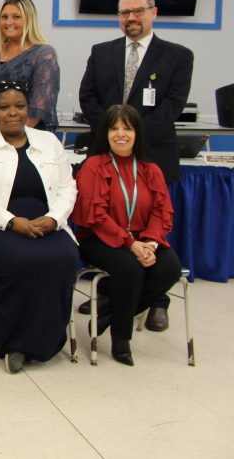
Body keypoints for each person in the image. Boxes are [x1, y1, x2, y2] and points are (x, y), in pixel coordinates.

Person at [78, 0, 193, 332]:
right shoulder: (102, 53)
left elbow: (172, 107)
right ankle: (114, 288)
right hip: (107, 161)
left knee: (153, 233)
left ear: (153, 12)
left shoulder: (177, 56)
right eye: (124, 13)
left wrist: (131, 137)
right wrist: (114, 136)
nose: (131, 18)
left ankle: (156, 299)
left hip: (152, 157)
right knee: (110, 231)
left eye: (137, 12)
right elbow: (88, 97)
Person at [0, 80, 78, 374]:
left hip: (45, 222)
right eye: (4, 107)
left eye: (19, 106)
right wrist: (10, 221)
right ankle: (12, 341)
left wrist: (54, 219)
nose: (13, 113)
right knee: (22, 261)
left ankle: (47, 339)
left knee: (65, 258)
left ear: (28, 108)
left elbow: (67, 187)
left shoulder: (48, 142)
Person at [72, 105, 182, 366]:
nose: (121, 134)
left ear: (137, 133)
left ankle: (109, 313)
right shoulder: (93, 166)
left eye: (127, 128)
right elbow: (96, 216)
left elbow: (161, 209)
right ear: (105, 133)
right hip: (98, 238)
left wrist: (151, 243)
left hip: (143, 238)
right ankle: (122, 340)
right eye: (114, 128)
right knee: (130, 270)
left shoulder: (150, 169)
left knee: (170, 268)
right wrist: (131, 244)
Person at [0, 0, 60, 130]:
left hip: (22, 140)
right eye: (4, 17)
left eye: (16, 17)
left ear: (29, 20)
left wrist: (10, 140)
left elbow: (40, 107)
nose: (9, 22)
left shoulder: (43, 54)